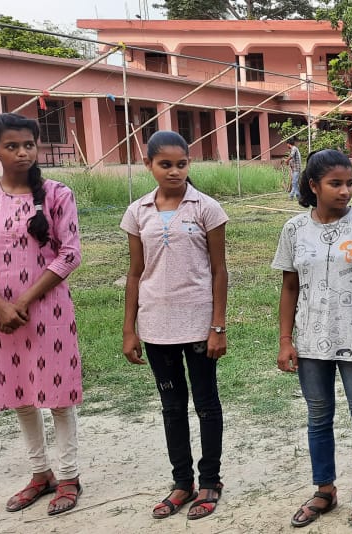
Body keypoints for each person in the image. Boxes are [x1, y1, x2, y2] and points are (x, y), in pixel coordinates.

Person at [273, 149, 352, 530]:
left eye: (350, 183)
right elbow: (290, 287)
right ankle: (324, 489)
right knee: (318, 416)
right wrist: (286, 340)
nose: (345, 191)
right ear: (313, 185)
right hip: (310, 342)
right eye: (335, 184)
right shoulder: (294, 230)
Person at [121, 130, 229, 520]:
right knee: (172, 407)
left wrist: (218, 326)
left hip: (198, 324)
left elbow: (219, 270)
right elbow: (136, 273)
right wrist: (129, 329)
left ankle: (210, 481)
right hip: (155, 326)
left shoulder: (207, 208)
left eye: (181, 164)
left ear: (189, 164)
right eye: (165, 164)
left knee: (206, 404)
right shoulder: (137, 212)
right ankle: (182, 482)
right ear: (148, 165)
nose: (174, 171)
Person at [0, 113, 84, 515]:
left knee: (58, 396)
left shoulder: (58, 194)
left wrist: (22, 302)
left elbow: (70, 254)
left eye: (29, 144)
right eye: (12, 146)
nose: (23, 152)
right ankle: (40, 473)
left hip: (48, 311)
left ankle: (69, 476)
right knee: (20, 392)